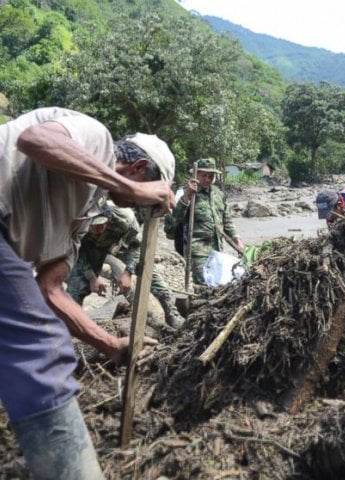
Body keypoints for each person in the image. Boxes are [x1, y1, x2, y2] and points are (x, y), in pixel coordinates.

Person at [0, 106, 175, 479]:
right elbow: (36, 140)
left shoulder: (84, 211)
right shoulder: (96, 137)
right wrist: (129, 188)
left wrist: (111, 344)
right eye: (150, 193)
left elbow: (49, 290)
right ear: (140, 167)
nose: (143, 205)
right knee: (41, 345)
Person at [67, 201, 186, 329]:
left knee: (148, 271)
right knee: (77, 284)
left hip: (122, 245)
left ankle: (172, 313)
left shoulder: (125, 219)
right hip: (93, 249)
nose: (98, 229)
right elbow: (78, 253)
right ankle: (70, 322)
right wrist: (91, 277)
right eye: (94, 225)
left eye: (102, 224)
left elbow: (136, 248)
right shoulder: (78, 224)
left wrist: (128, 273)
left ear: (109, 217)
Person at [164, 157, 244, 284]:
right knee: (204, 284)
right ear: (196, 175)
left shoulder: (219, 194)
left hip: (217, 249)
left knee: (218, 284)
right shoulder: (185, 192)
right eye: (204, 175)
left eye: (211, 176)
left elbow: (227, 221)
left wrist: (237, 241)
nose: (207, 179)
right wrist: (187, 196)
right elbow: (171, 223)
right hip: (197, 251)